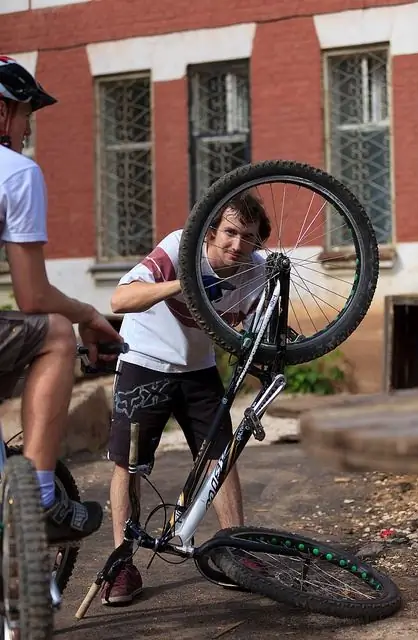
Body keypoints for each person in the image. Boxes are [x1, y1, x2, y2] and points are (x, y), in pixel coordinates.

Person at [102, 190, 271, 605]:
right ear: (210, 231)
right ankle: (122, 565)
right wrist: (184, 283)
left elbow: (256, 330)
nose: (237, 245)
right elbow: (120, 299)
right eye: (229, 233)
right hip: (145, 360)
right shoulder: (180, 247)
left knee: (221, 455)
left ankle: (234, 548)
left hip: (198, 369)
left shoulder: (258, 269)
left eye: (248, 236)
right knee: (130, 464)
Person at [0, 55, 122, 542]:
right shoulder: (15, 173)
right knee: (52, 330)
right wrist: (88, 314)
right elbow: (33, 296)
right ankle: (44, 496)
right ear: (4, 112)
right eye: (28, 113)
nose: (28, 129)